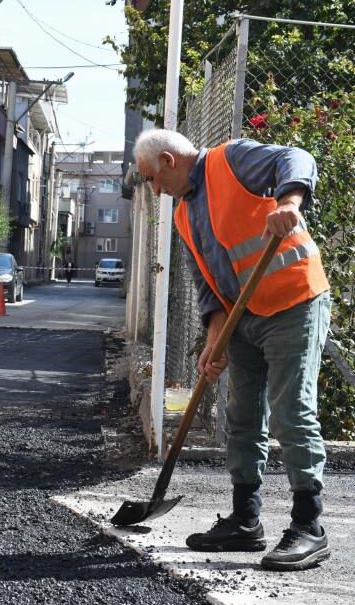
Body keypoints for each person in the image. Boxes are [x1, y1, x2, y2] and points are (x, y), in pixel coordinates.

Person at [133, 129, 332, 571]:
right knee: (242, 416)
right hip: (243, 320)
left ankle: (309, 527)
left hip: (294, 302)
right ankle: (245, 521)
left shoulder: (231, 160)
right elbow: (208, 283)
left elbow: (297, 155)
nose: (153, 189)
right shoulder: (184, 214)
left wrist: (288, 203)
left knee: (291, 411)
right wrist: (215, 338)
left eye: (151, 177)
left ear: (168, 160)